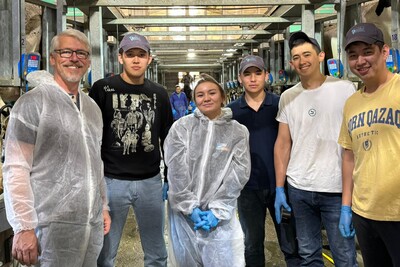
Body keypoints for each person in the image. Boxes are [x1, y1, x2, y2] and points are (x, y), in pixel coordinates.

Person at [3, 28, 110, 267]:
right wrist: (24, 226)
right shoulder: (32, 103)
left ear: (88, 61)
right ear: (52, 58)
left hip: (88, 226)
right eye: (66, 52)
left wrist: (102, 206)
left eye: (81, 53)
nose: (74, 58)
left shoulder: (92, 108)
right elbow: (16, 167)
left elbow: (95, 162)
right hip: (47, 229)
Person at [274, 31, 358, 266]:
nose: (302, 61)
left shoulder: (345, 88)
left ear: (321, 56)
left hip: (335, 188)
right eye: (296, 57)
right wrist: (280, 188)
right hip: (299, 188)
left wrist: (349, 201)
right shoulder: (288, 97)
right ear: (292, 63)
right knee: (309, 255)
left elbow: (354, 141)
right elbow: (283, 143)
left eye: (307, 54)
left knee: (344, 256)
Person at [90, 32, 172, 267]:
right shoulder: (103, 89)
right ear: (121, 58)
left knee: (157, 252)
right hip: (111, 182)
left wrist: (171, 175)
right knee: (105, 252)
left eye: (141, 55)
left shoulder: (159, 93)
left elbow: (168, 138)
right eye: (130, 54)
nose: (136, 60)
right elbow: (91, 137)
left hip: (150, 182)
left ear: (149, 59)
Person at [164, 73, 251, 266]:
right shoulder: (181, 128)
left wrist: (218, 210)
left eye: (212, 93)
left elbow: (239, 172)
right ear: (194, 100)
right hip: (184, 214)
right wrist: (189, 207)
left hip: (220, 215)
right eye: (200, 95)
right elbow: (176, 170)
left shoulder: (237, 131)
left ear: (222, 97)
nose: (206, 98)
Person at [228, 55, 301, 267]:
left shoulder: (280, 105)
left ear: (266, 76)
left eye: (257, 73)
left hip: (281, 185)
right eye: (247, 74)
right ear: (240, 78)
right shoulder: (232, 111)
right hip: (247, 188)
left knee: (290, 242)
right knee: (252, 244)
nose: (253, 79)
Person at [338, 23, 400, 266]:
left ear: (384, 52)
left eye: (367, 52)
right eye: (353, 56)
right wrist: (346, 206)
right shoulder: (352, 102)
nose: (360, 61)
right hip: (364, 212)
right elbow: (348, 155)